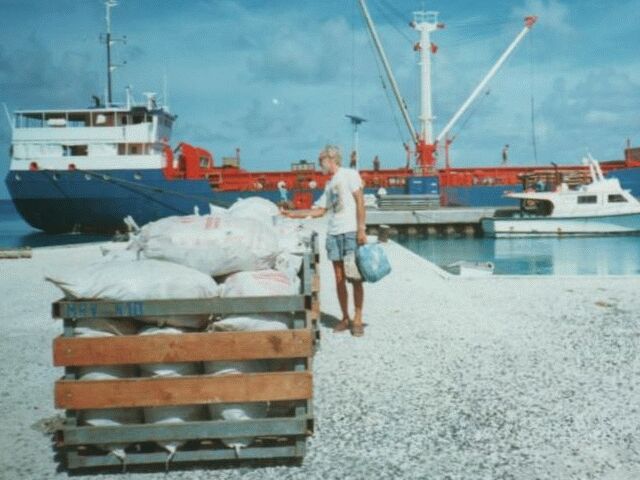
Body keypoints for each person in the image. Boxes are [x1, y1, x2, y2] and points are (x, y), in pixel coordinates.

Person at [281, 145, 367, 337]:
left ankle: (358, 317)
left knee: (354, 277)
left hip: (350, 232)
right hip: (334, 234)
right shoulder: (329, 185)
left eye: (321, 162)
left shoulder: (349, 174)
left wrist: (362, 229)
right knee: (339, 278)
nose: (321, 167)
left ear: (331, 159)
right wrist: (292, 214)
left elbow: (360, 201)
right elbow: (320, 211)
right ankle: (345, 318)